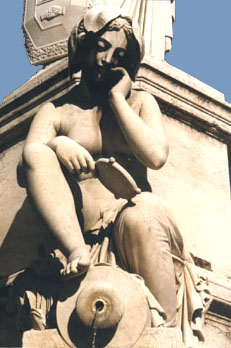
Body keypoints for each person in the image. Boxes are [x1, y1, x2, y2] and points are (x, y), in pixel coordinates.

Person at [20, 6, 185, 328]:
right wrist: (57, 144)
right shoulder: (57, 111)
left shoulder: (139, 101)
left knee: (141, 218)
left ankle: (165, 328)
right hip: (77, 220)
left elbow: (155, 157)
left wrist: (117, 100)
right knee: (37, 152)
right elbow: (26, 167)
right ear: (83, 47)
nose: (108, 59)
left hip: (130, 209)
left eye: (120, 53)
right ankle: (77, 252)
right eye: (101, 47)